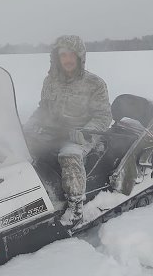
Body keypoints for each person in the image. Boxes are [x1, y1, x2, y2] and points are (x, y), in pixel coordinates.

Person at [24, 35, 112, 227]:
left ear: (80, 56)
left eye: (72, 54)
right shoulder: (50, 81)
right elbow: (43, 109)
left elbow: (104, 117)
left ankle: (76, 207)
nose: (68, 59)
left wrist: (86, 131)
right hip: (53, 130)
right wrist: (29, 125)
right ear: (57, 57)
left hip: (81, 134)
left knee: (69, 154)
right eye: (63, 54)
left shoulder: (94, 84)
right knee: (22, 144)